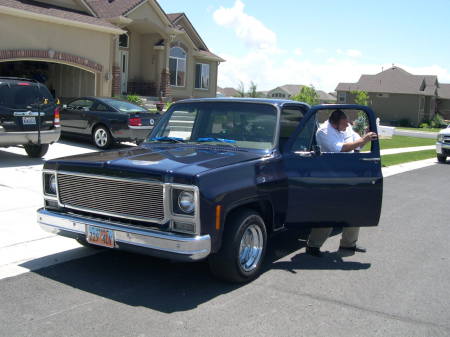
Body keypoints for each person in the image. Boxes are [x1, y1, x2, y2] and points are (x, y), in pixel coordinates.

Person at [306, 109, 378, 257]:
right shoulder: (323, 132)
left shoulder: (346, 127)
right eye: (344, 123)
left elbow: (357, 145)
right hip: (330, 175)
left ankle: (348, 244)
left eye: (347, 123)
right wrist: (361, 140)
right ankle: (313, 246)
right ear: (334, 122)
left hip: (348, 173)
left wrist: (363, 139)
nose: (347, 126)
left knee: (354, 209)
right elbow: (340, 149)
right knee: (330, 211)